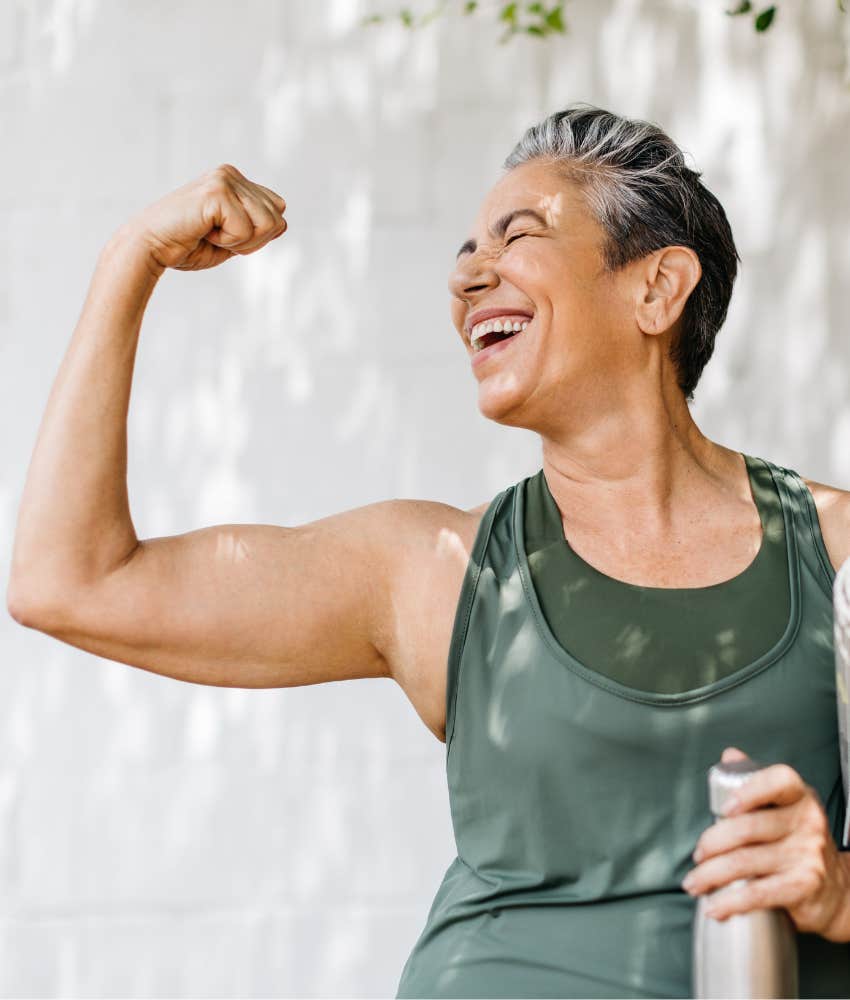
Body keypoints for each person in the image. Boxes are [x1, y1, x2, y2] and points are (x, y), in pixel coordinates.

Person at [6, 103, 850, 998]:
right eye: (464, 252)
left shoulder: (833, 550)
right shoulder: (438, 569)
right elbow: (70, 581)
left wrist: (837, 894)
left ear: (656, 288)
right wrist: (127, 261)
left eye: (515, 236)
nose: (468, 276)